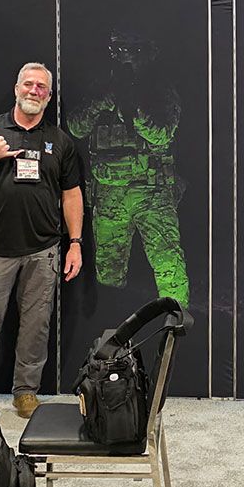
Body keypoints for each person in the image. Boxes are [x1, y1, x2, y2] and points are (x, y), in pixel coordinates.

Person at [0, 62, 84, 423]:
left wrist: (75, 242)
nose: (34, 91)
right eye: (29, 84)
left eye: (41, 87)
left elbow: (71, 195)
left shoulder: (60, 141)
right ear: (16, 88)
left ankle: (26, 392)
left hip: (43, 250)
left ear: (49, 96)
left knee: (36, 325)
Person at [65, 30, 189, 305]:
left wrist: (132, 110)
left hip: (152, 192)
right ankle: (111, 319)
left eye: (132, 51)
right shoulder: (100, 87)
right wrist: (101, 102)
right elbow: (76, 127)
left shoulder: (159, 89)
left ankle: (176, 320)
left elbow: (162, 134)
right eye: (119, 51)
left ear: (148, 54)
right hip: (109, 194)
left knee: (167, 263)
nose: (125, 57)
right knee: (108, 271)